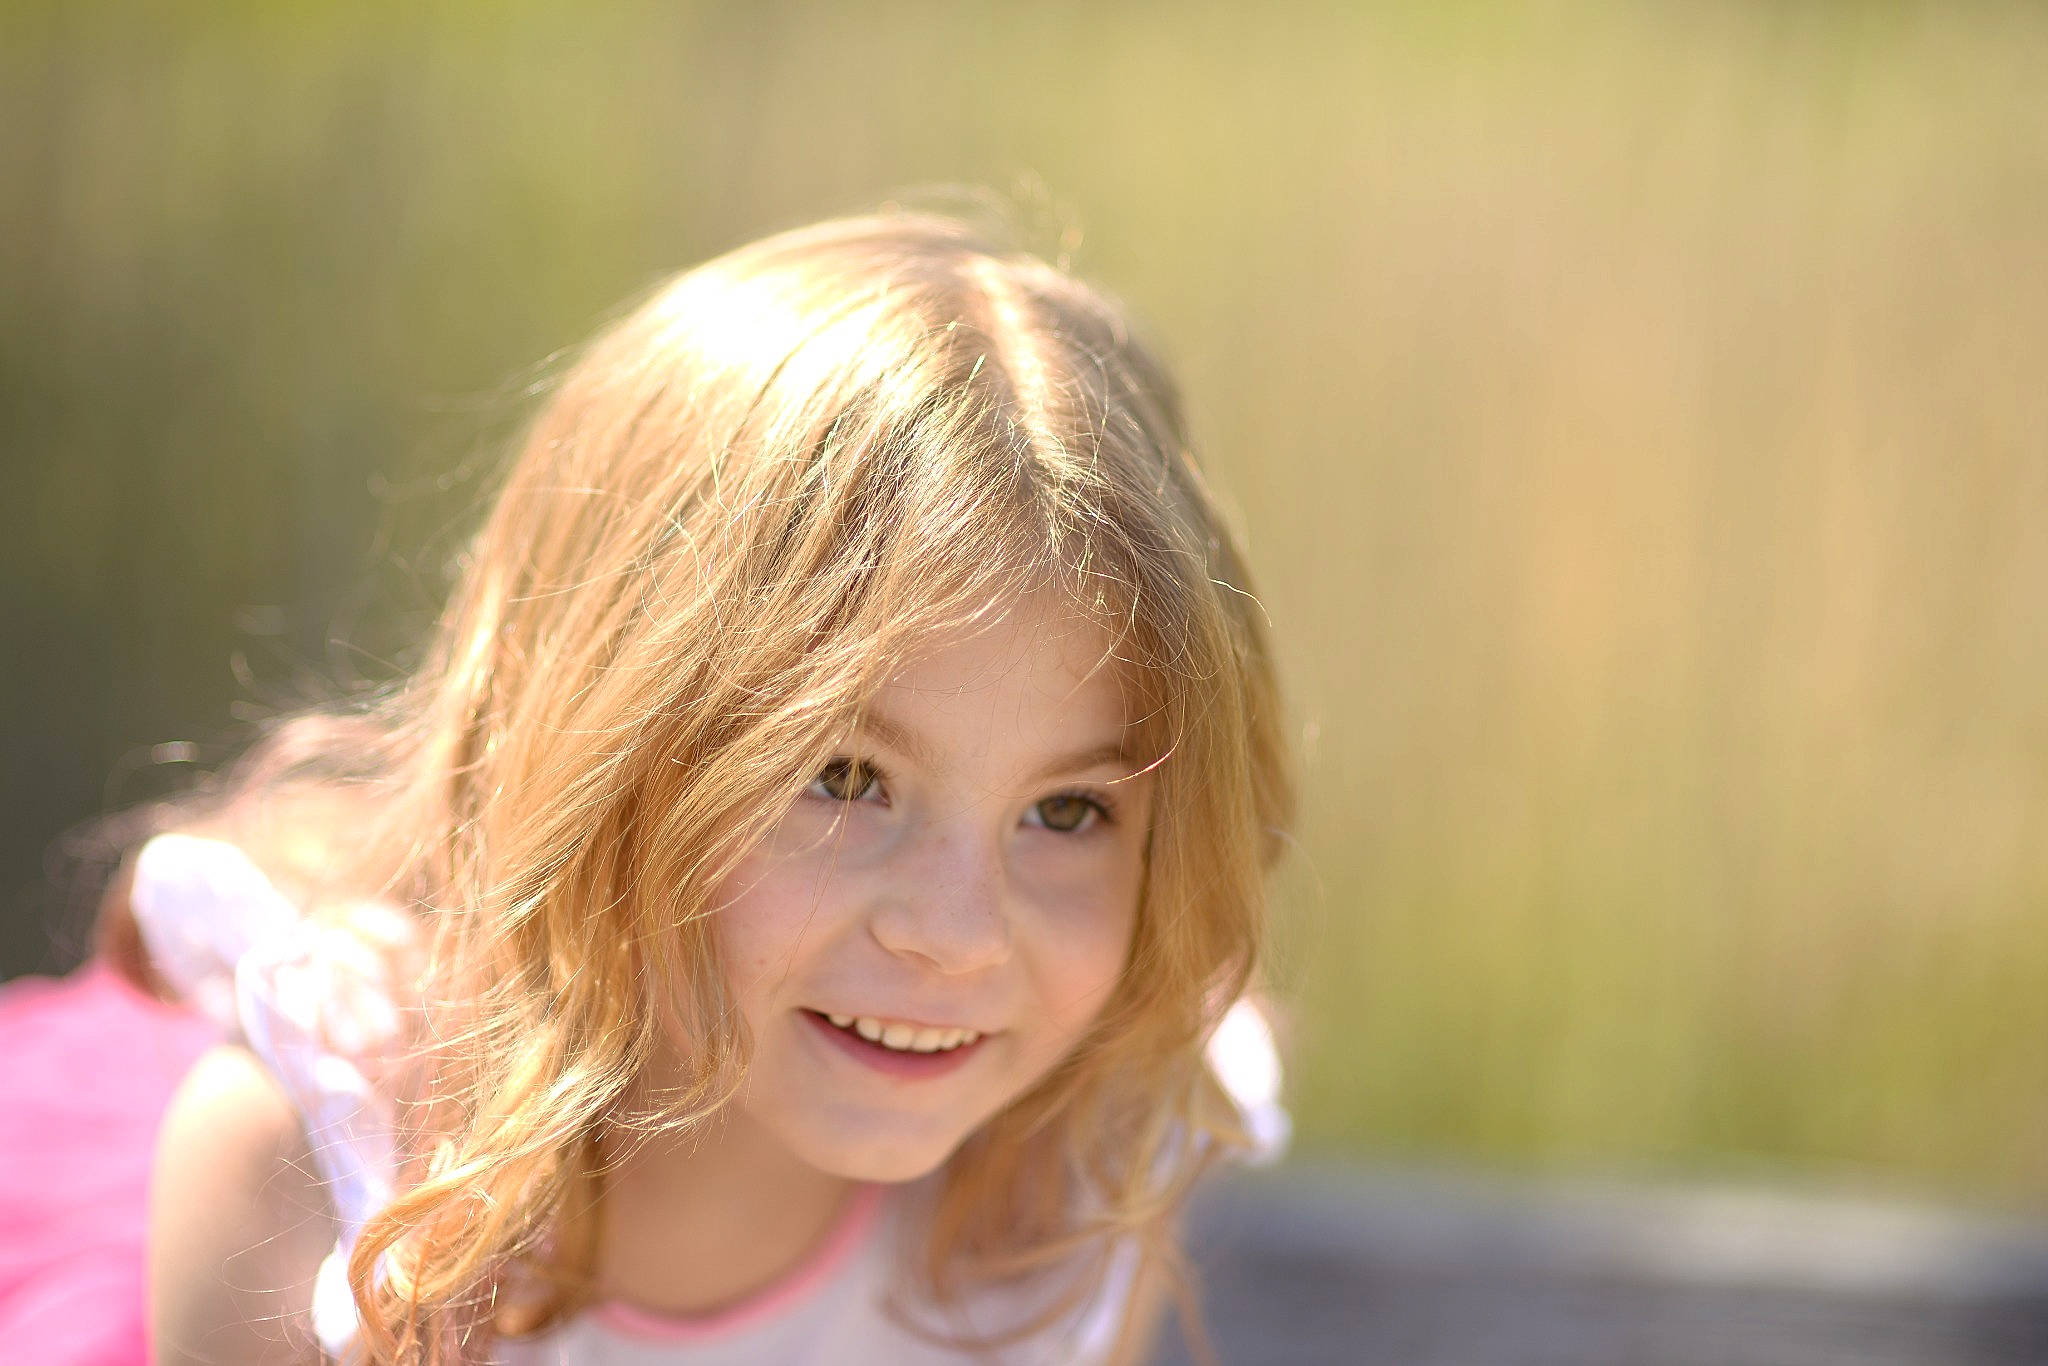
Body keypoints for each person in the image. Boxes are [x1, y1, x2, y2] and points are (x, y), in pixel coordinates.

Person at [125, 210, 1293, 1365]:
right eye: (842, 777)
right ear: (603, 742)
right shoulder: (325, 1176)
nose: (954, 935)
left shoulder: (1069, 1200)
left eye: (1066, 812)